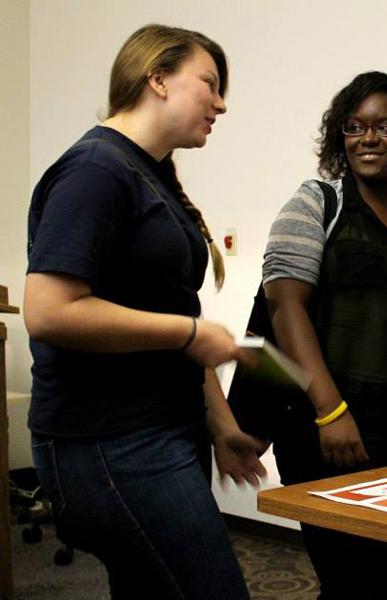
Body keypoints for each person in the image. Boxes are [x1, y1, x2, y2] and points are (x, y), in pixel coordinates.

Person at [24, 24, 266, 600]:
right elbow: (49, 311)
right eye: (209, 83)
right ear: (157, 78)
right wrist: (188, 333)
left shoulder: (145, 172)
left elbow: (173, 314)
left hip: (155, 435)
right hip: (111, 442)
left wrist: (222, 426)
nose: (222, 103)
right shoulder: (95, 170)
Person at [261, 71, 387, 599]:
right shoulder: (316, 205)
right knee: (349, 579)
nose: (367, 138)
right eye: (354, 127)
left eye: (385, 127)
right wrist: (331, 412)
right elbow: (284, 307)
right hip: (330, 435)